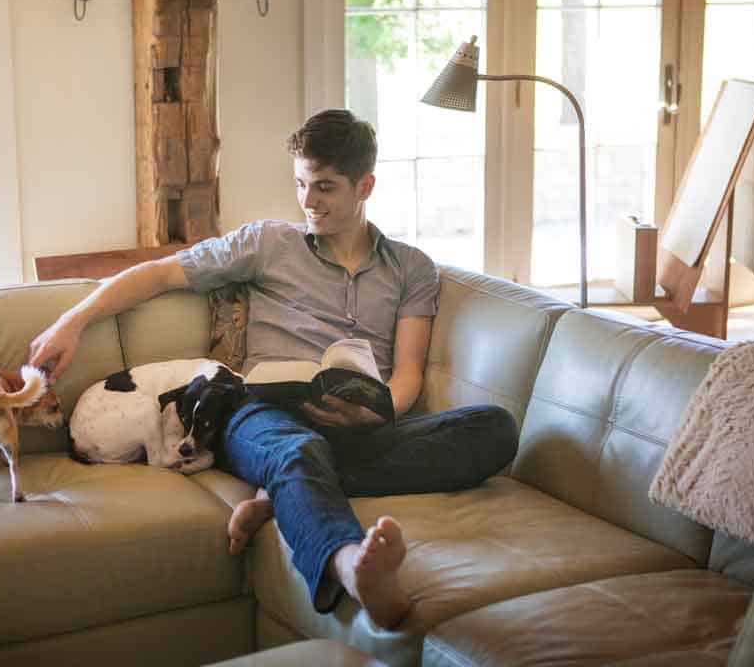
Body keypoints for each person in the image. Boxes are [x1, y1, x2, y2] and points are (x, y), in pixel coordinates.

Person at [28, 109, 518, 630]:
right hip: (261, 414)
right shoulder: (267, 244)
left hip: (358, 427)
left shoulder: (411, 268)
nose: (308, 202)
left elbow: (408, 374)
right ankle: (350, 567)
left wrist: (378, 413)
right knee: (298, 448)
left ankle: (287, 492)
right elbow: (158, 275)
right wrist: (72, 322)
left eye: (325, 187)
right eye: (301, 184)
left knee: (494, 428)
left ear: (365, 185)